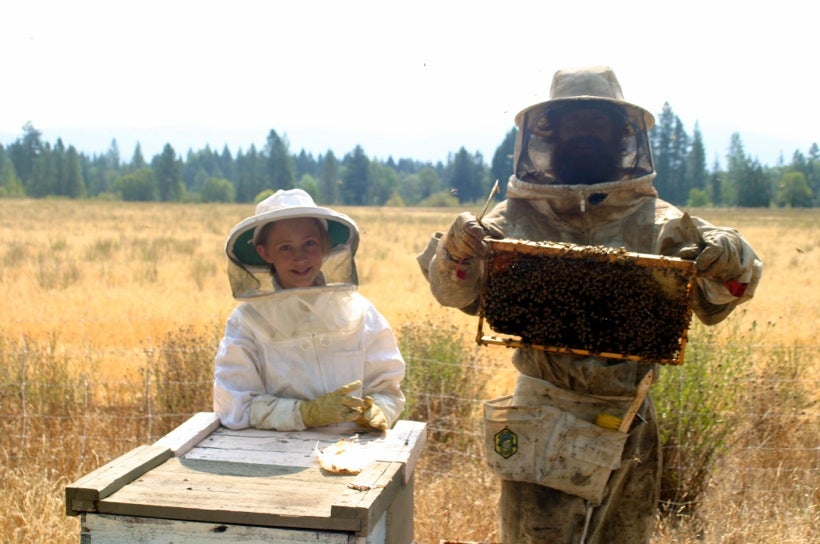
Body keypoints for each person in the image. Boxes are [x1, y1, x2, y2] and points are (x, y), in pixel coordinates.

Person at [417, 65, 762, 543]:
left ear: (623, 136)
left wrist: (728, 256)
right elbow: (453, 291)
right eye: (571, 123)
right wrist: (456, 252)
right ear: (547, 133)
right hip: (544, 417)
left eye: (595, 123)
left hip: (631, 416)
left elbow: (729, 289)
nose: (583, 134)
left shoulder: (662, 224)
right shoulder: (512, 219)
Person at [214, 188, 406, 433]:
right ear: (265, 252)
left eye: (310, 243)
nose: (300, 257)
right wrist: (304, 414)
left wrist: (380, 408)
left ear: (325, 246)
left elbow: (387, 387)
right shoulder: (247, 322)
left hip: (353, 456)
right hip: (274, 458)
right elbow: (235, 404)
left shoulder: (360, 312)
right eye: (285, 247)